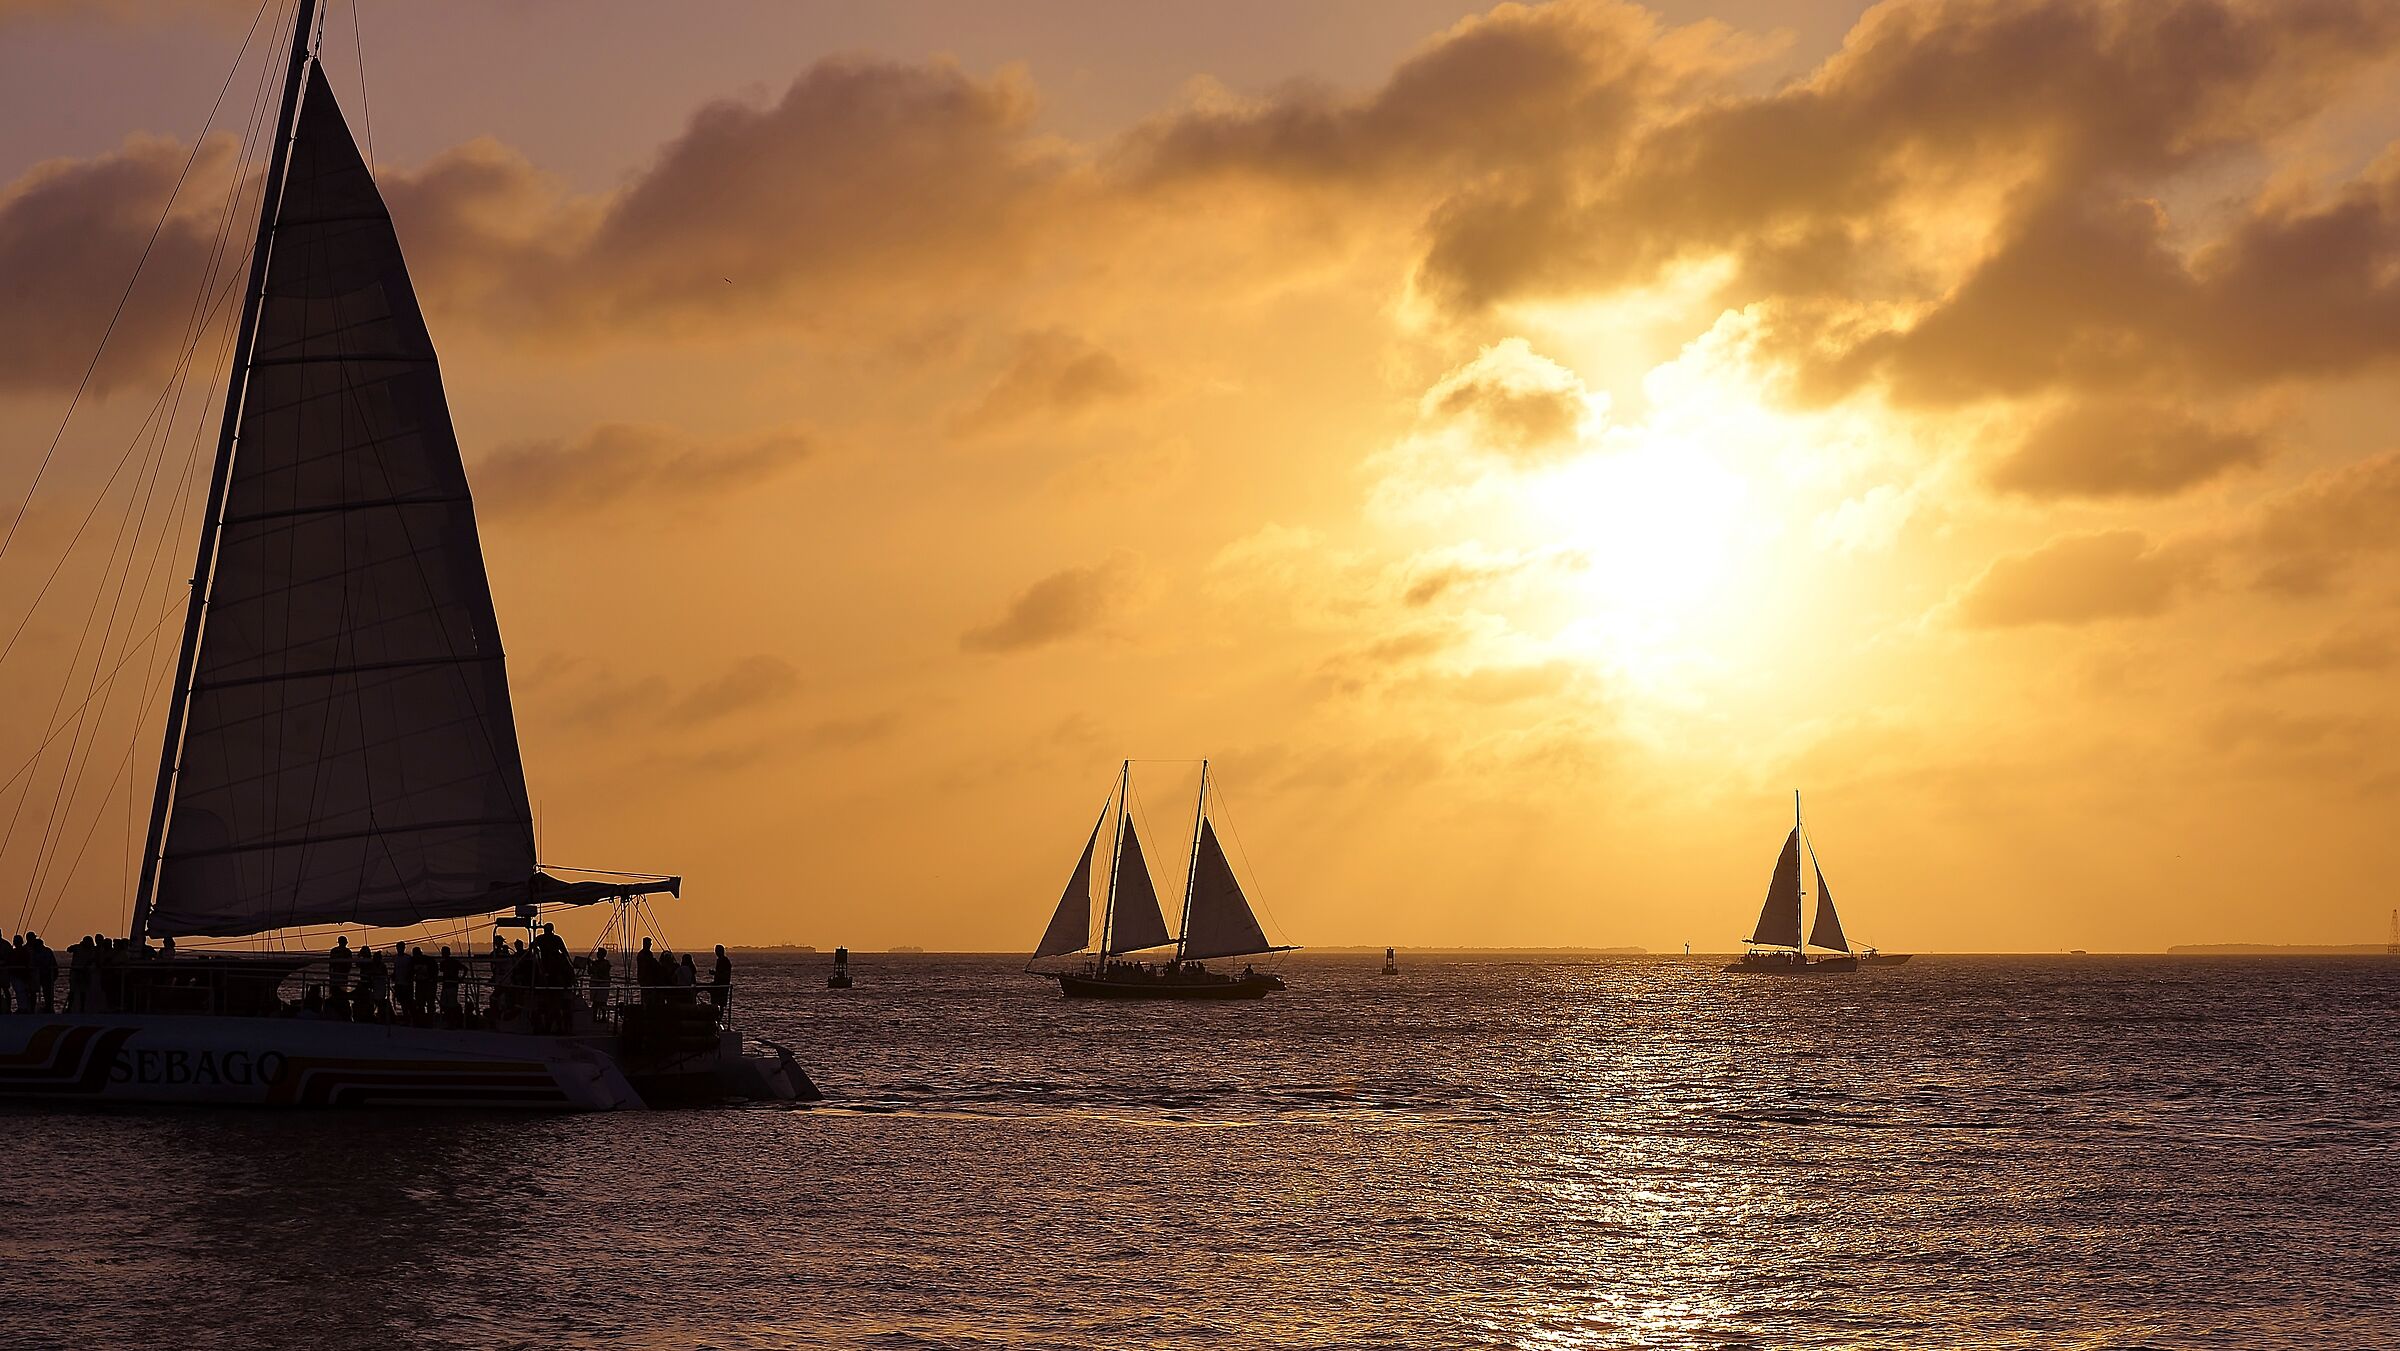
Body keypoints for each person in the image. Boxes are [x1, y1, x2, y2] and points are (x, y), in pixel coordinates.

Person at [636, 938, 660, 1008]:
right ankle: (646, 1008)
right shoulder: (643, 954)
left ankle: (648, 1006)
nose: (650, 945)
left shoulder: (648, 953)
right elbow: (647, 965)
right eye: (649, 943)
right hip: (645, 978)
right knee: (646, 995)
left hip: (647, 978)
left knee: (649, 995)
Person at [589, 947, 612, 1014]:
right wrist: (589, 964)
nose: (598, 954)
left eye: (599, 953)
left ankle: (604, 1017)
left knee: (602, 1002)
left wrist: (594, 965)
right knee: (595, 1003)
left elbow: (602, 972)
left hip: (602, 985)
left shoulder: (606, 963)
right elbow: (590, 972)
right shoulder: (596, 963)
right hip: (595, 985)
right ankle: (594, 1016)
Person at [709, 945, 732, 1011]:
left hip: (722, 987)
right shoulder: (720, 960)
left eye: (717, 950)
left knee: (720, 1004)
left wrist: (715, 973)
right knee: (717, 1004)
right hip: (718, 986)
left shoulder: (724, 961)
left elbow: (725, 975)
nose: (715, 952)